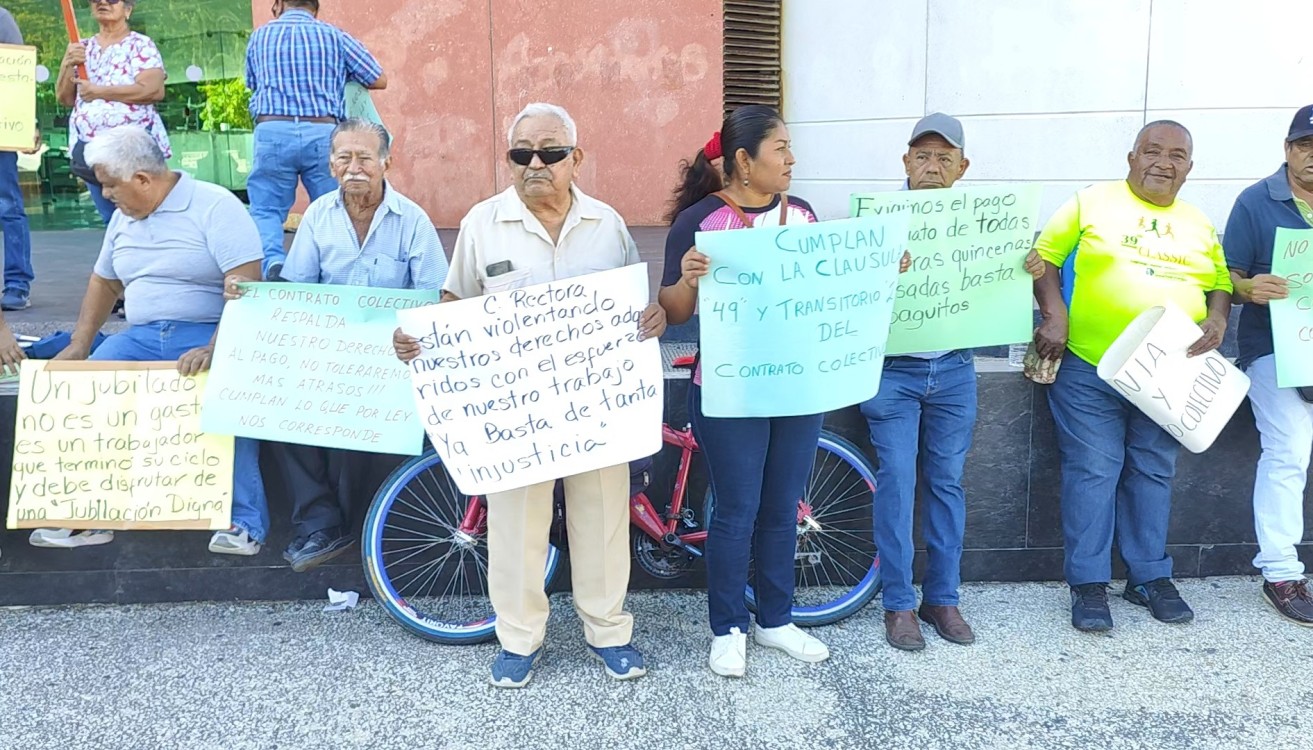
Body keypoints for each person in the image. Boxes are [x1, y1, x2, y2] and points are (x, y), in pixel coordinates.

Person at [393, 103, 665, 688]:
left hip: (596, 407)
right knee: (515, 526)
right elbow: (453, 304)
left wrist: (653, 317)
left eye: (550, 152)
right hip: (514, 414)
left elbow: (633, 307)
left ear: (576, 158)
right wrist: (420, 341)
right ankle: (518, 639)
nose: (535, 164)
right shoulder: (482, 223)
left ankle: (609, 632)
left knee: (603, 520)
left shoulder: (608, 224)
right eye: (522, 153)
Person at [660, 104, 886, 677]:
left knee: (783, 507)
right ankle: (728, 627)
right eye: (780, 148)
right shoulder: (700, 221)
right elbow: (674, 311)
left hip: (798, 386)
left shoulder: (803, 215)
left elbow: (831, 288)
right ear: (744, 160)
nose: (792, 159)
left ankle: (776, 620)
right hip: (729, 390)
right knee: (737, 509)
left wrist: (881, 267)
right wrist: (687, 279)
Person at [26, 126, 270, 555]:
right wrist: (80, 343)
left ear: (142, 179)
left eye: (109, 185)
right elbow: (104, 281)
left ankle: (243, 522)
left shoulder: (215, 206)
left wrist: (217, 347)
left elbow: (246, 284)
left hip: (210, 330)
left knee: (227, 393)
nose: (104, 195)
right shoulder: (124, 218)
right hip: (139, 336)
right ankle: (81, 516)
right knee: (82, 390)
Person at [1032, 121, 1232, 632]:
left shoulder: (1198, 222)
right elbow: (1045, 259)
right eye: (1152, 151)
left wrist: (1218, 318)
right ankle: (1088, 584)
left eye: (1177, 156)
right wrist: (1054, 314)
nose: (1163, 163)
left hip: (1168, 368)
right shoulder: (1090, 202)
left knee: (1153, 469)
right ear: (1131, 157)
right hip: (1090, 366)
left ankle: (1148, 577)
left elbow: (1220, 282)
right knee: (1094, 470)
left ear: (1190, 167)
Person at [225, 118, 447, 572]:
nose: (354, 167)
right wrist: (252, 294)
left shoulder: (412, 221)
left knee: (362, 418)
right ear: (330, 165)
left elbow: (436, 298)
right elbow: (297, 289)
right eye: (344, 158)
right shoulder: (318, 217)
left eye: (365, 157)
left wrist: (412, 336)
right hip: (330, 358)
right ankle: (321, 524)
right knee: (274, 402)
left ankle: (345, 527)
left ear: (386, 163)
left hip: (392, 360)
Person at [859, 113, 1046, 651]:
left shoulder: (986, 225)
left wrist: (1026, 267)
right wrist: (876, 267)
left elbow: (1000, 284)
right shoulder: (876, 222)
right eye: (922, 156)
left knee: (947, 483)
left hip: (955, 369)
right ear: (905, 161)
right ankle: (899, 604)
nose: (932, 167)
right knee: (896, 482)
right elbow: (847, 292)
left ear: (963, 168)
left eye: (945, 158)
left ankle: (942, 598)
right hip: (892, 372)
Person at [1222, 104, 1313, 626]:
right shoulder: (1255, 201)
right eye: (1305, 145)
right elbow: (1225, 277)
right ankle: (1281, 572)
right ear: (1287, 149)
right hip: (1276, 349)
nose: (1312, 156)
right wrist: (1248, 288)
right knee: (1289, 451)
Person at [245, 0, 387, 281]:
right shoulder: (335, 36)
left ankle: (273, 263)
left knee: (266, 208)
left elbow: (253, 82)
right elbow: (378, 78)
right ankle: (335, 270)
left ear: (279, 4)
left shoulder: (260, 36)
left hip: (272, 129)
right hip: (323, 131)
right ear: (315, 7)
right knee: (333, 206)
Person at [56, 0, 169, 228]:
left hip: (132, 153)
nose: (103, 2)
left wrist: (99, 92)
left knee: (146, 216)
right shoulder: (81, 47)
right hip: (92, 151)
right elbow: (65, 98)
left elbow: (153, 90)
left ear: (128, 9)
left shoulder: (140, 45)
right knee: (112, 221)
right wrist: (68, 63)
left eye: (112, 0)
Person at [0, 6, 37, 312]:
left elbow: (17, 75)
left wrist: (26, 123)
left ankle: (17, 284)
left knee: (8, 207)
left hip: (1, 132)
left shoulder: (1, 19)